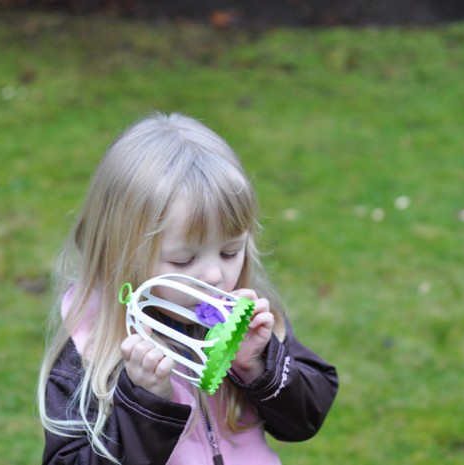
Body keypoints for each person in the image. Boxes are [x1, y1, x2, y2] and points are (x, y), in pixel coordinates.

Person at [38, 112, 339, 464]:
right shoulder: (89, 347)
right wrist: (146, 404)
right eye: (182, 260)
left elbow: (305, 419)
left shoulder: (249, 321)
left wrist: (259, 365)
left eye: (230, 251)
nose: (214, 276)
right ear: (118, 254)